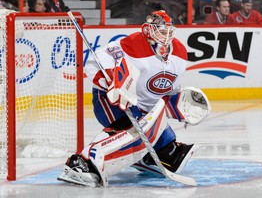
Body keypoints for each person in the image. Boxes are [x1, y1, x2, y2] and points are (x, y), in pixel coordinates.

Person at [57, 10, 210, 187]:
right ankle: (81, 163)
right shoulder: (132, 44)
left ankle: (144, 158)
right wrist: (111, 82)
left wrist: (177, 106)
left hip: (146, 111)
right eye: (161, 31)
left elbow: (170, 90)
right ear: (147, 30)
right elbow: (95, 61)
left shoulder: (180, 53)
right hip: (112, 100)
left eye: (168, 31)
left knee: (170, 152)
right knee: (129, 128)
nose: (166, 35)